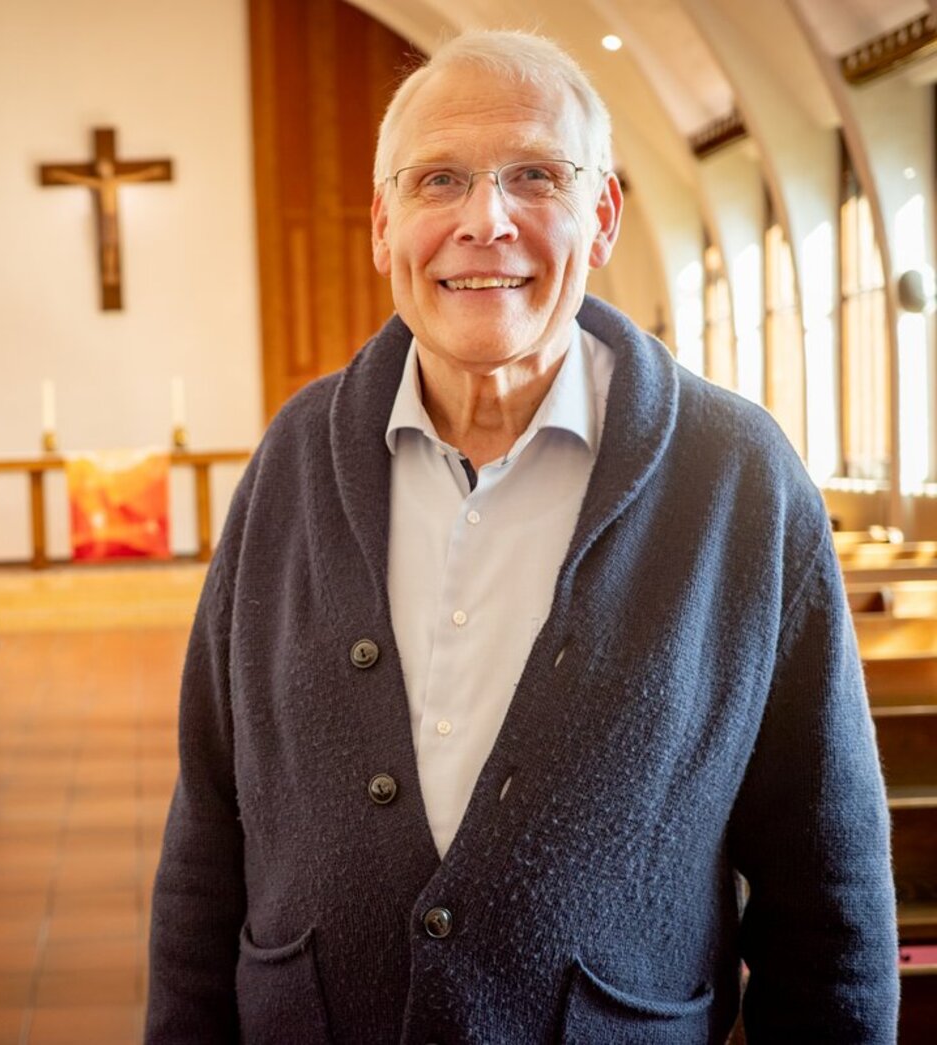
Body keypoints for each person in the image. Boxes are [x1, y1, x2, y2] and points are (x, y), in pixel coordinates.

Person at [145, 29, 898, 1044]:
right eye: (438, 181)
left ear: (601, 217)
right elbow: (205, 834)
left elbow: (829, 887)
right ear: (381, 224)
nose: (482, 221)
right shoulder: (292, 460)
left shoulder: (736, 478)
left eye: (532, 177)